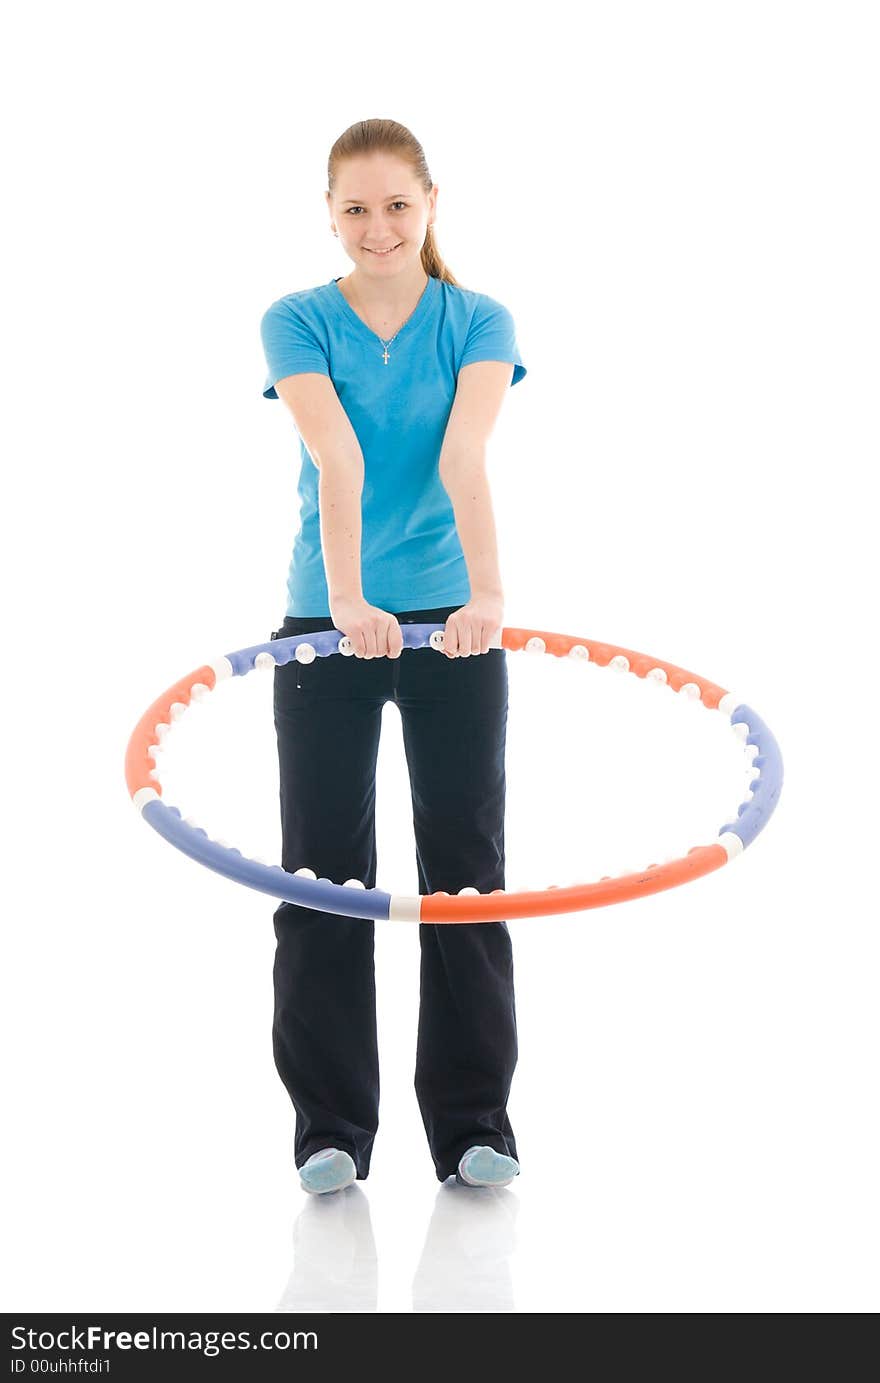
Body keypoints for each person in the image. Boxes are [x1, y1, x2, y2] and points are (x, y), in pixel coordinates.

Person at [260, 119, 527, 1196]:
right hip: (325, 623)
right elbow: (338, 457)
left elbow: (462, 457)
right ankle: (329, 1131)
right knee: (325, 874)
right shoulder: (295, 319)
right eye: (356, 209)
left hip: (453, 623)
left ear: (430, 205)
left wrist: (487, 597)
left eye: (397, 206)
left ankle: (475, 1126)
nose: (378, 228)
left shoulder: (479, 318)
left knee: (464, 874)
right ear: (329, 213)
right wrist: (346, 603)